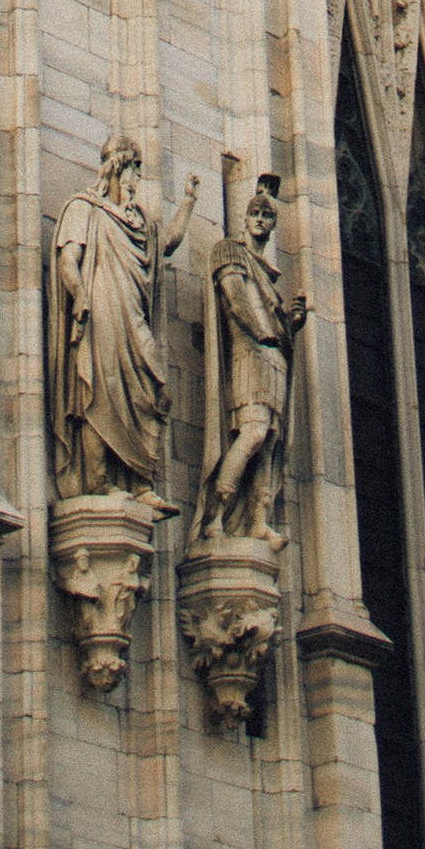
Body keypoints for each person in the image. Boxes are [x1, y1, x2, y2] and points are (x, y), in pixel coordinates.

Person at [47, 137, 194, 498]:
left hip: (134, 314)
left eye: (138, 173)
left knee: (153, 387)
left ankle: (141, 482)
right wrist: (80, 294)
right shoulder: (84, 208)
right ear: (115, 169)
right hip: (101, 311)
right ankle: (97, 482)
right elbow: (68, 259)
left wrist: (189, 202)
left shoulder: (140, 221)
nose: (135, 180)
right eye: (132, 171)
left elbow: (168, 244)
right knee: (99, 390)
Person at [191, 169, 307, 544]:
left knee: (271, 443)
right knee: (253, 433)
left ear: (273, 224)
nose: (260, 219)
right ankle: (215, 516)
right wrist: (265, 331)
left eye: (267, 215)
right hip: (248, 357)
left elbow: (268, 316)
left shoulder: (269, 276)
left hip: (274, 359)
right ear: (244, 218)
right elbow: (235, 298)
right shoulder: (229, 251)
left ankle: (258, 520)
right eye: (255, 213)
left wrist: (290, 323)